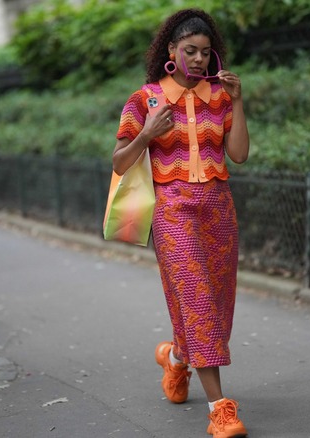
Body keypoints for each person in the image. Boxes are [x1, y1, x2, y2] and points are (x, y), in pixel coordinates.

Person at [112, 8, 250, 438]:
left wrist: (240, 101)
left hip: (218, 208)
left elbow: (240, 154)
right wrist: (147, 134)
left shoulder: (221, 97)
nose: (198, 59)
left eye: (205, 53)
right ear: (171, 50)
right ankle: (220, 409)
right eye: (189, 50)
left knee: (219, 306)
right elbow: (119, 161)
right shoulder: (145, 100)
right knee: (197, 300)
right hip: (172, 211)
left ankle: (176, 359)